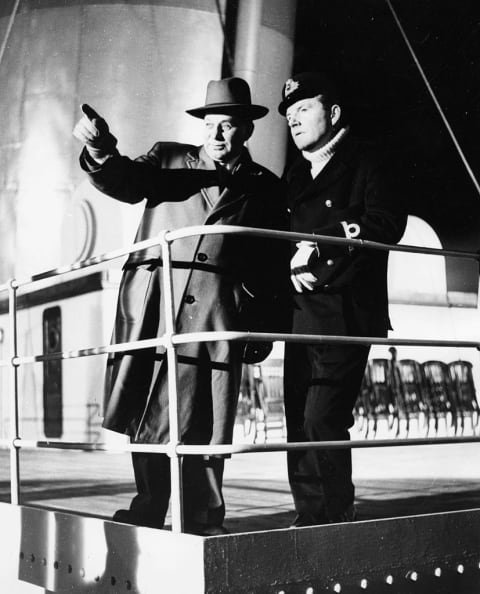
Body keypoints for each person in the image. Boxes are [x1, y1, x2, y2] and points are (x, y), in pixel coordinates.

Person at [73, 77, 288, 535]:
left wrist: (264, 325)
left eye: (228, 126)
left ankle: (203, 520)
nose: (217, 134)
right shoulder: (169, 159)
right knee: (148, 410)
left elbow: (273, 262)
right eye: (211, 124)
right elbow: (126, 180)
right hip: (156, 305)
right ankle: (148, 510)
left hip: (216, 316)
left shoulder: (265, 187)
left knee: (208, 421)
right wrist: (100, 150)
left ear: (246, 131)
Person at [278, 72, 407, 526]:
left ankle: (334, 515)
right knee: (297, 421)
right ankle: (308, 515)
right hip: (298, 316)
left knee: (321, 417)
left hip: (346, 315)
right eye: (289, 115)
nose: (293, 121)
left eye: (303, 110)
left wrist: (321, 241)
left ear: (332, 113)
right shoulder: (293, 176)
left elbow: (388, 223)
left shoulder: (367, 161)